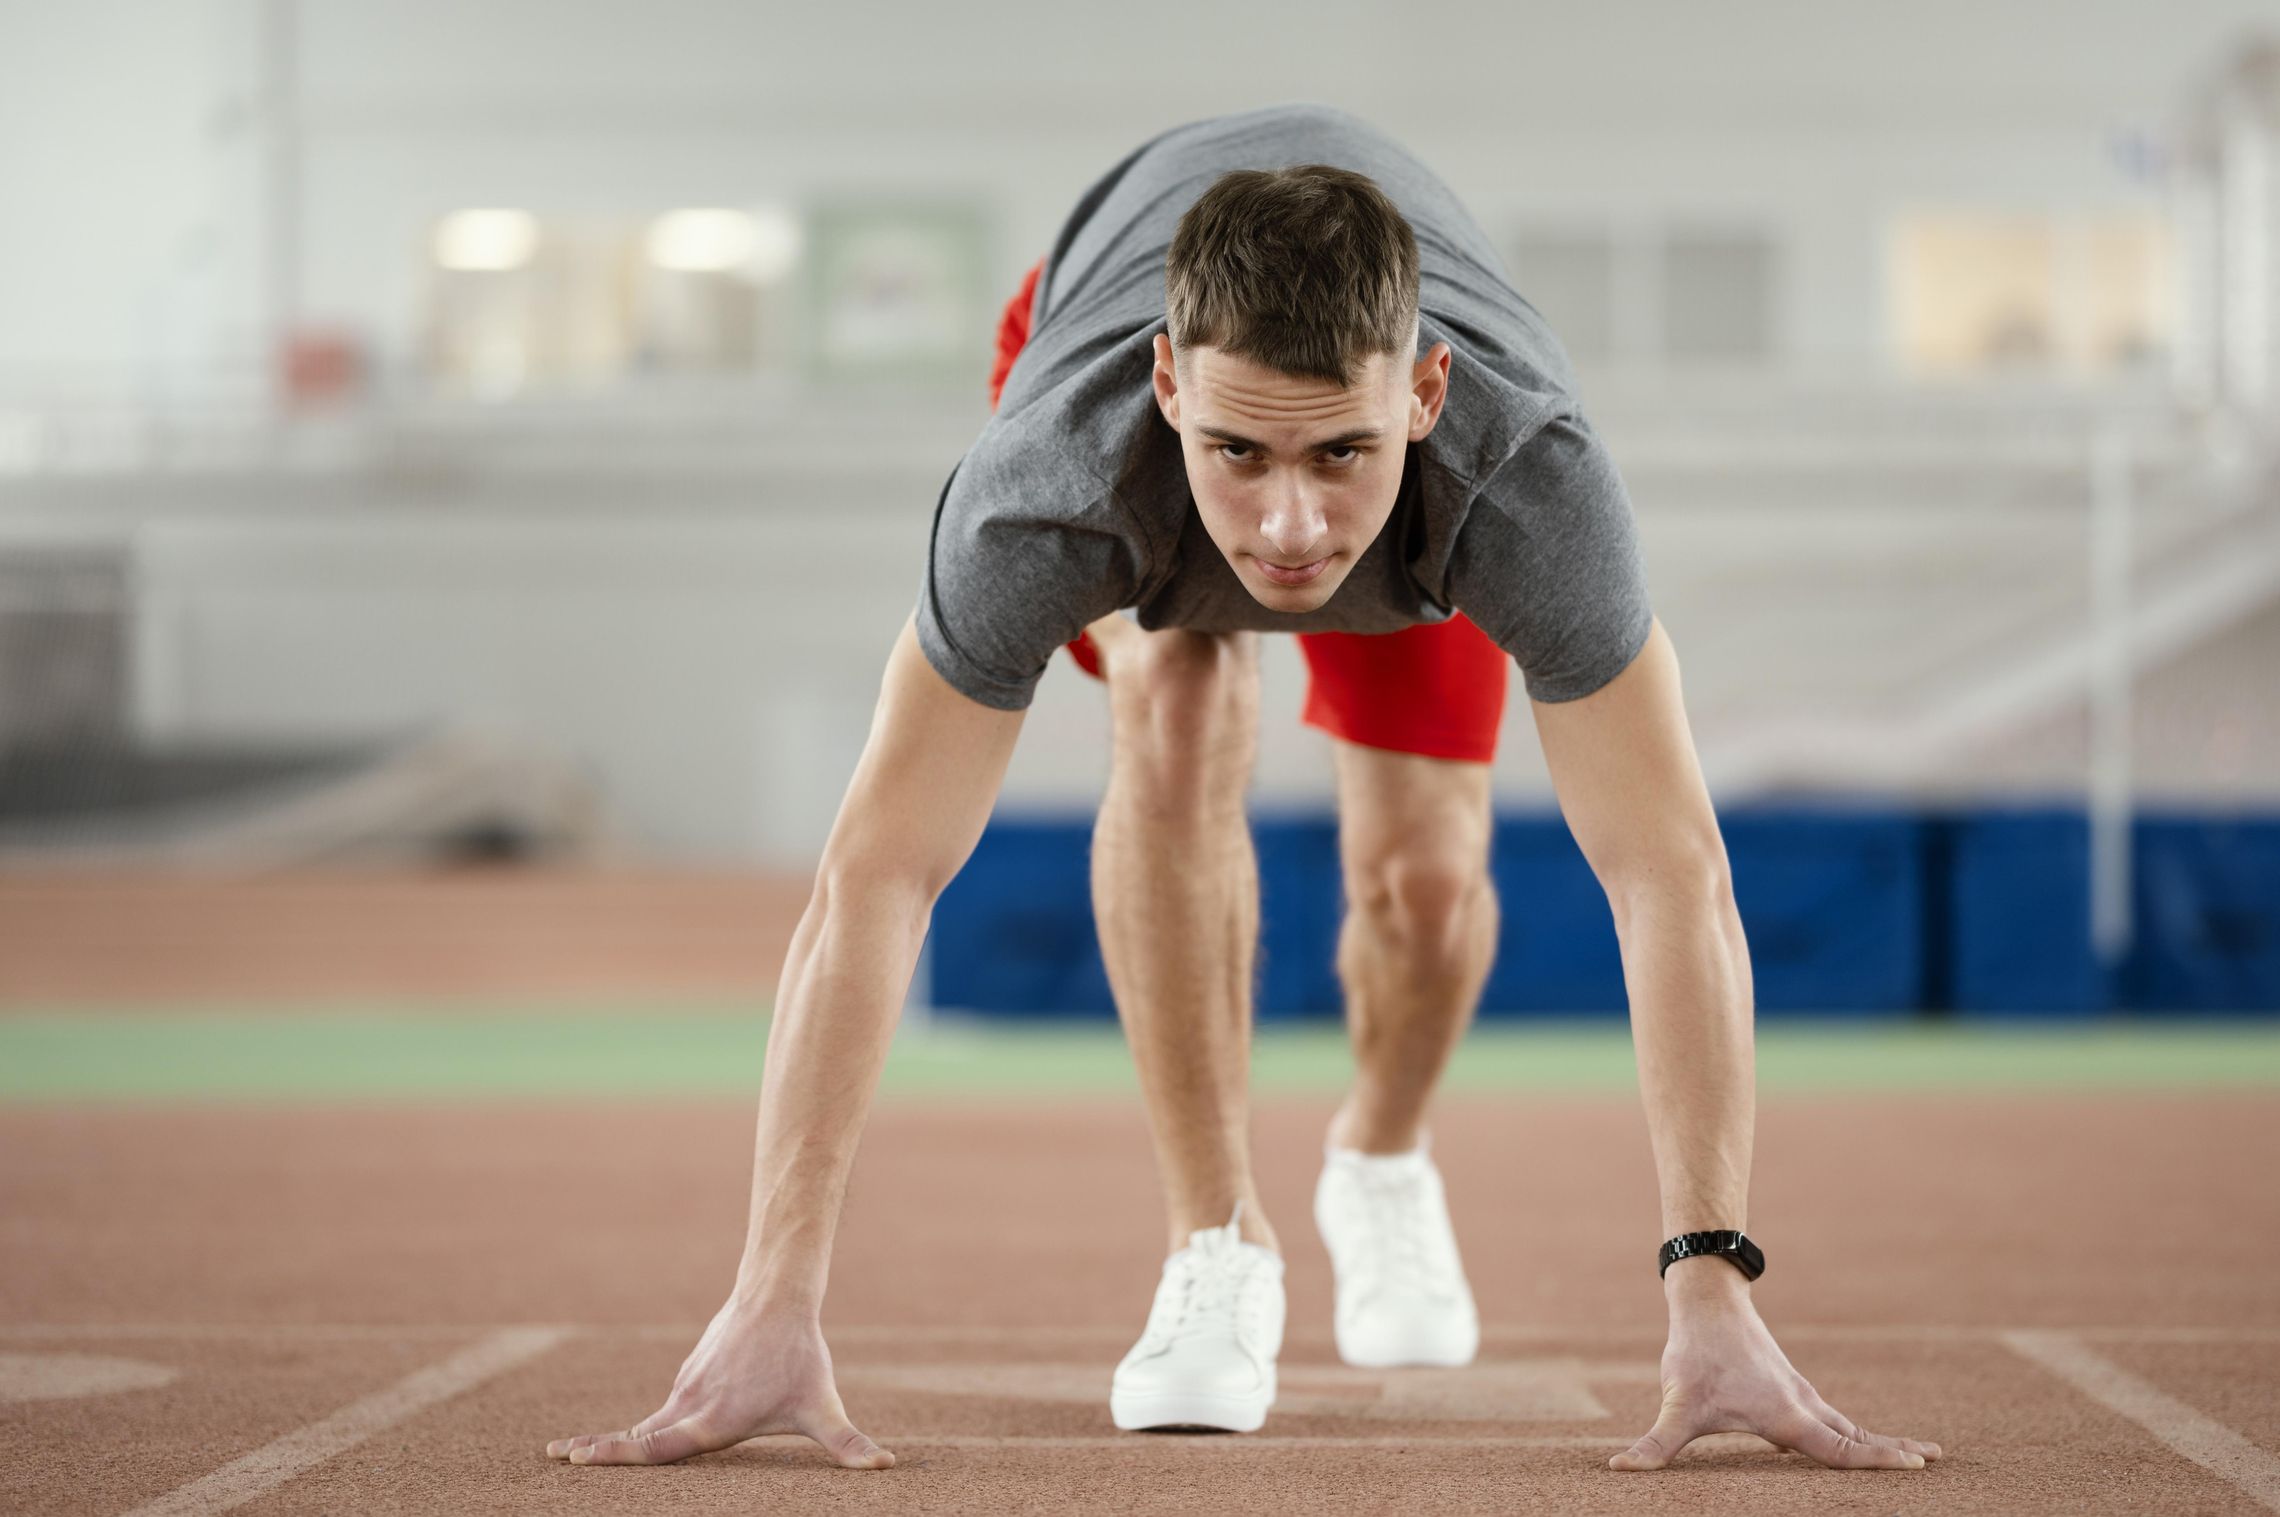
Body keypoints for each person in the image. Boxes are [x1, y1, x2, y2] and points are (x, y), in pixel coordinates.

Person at [545, 102, 1942, 1474]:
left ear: (1424, 395)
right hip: (1100, 371)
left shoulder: (1526, 486)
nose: (1288, 527)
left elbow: (1670, 874)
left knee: (1425, 881)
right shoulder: (1049, 489)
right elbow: (876, 874)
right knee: (1179, 707)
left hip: (1415, 516)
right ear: (1168, 387)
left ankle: (1379, 1156)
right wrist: (773, 1293)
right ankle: (1214, 1241)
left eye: (1341, 454)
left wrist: (1712, 1284)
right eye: (1240, 453)